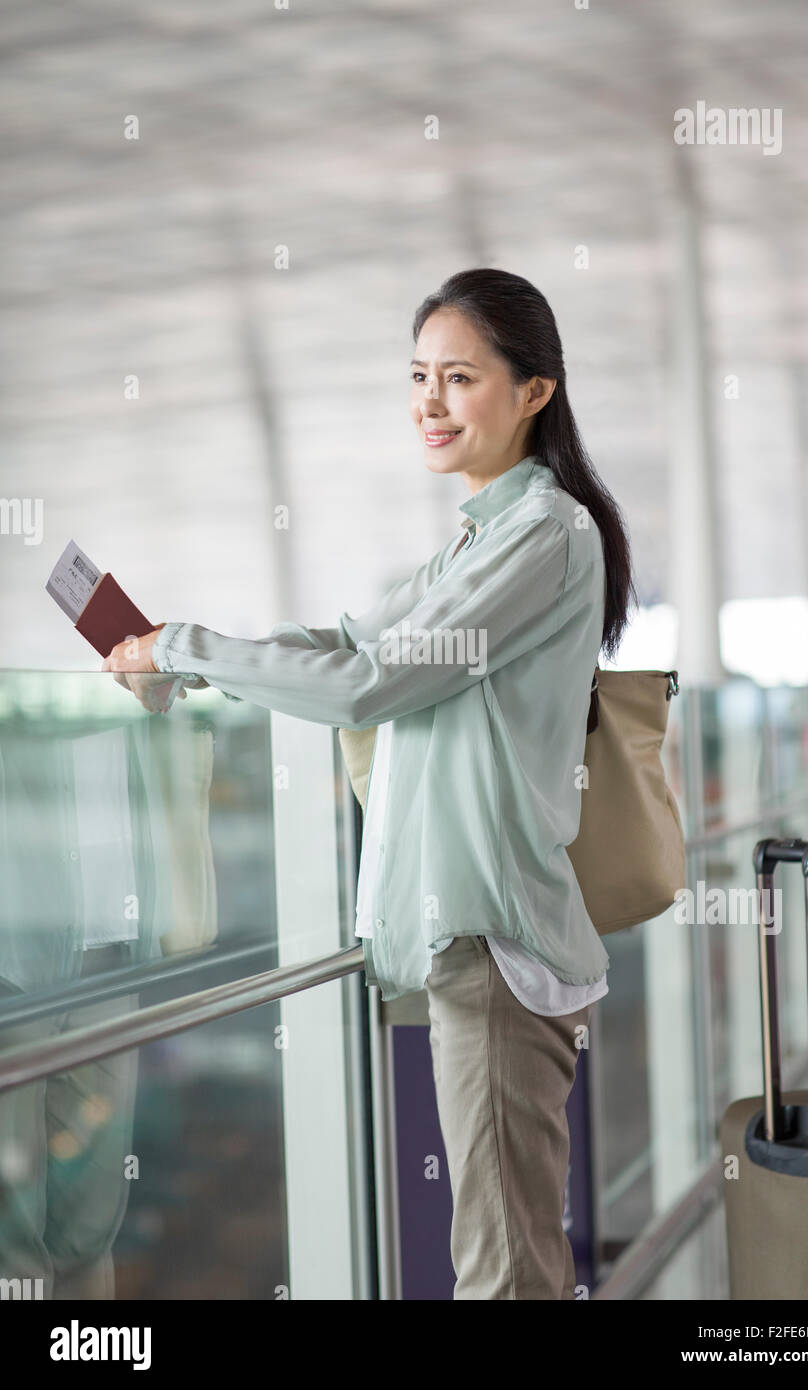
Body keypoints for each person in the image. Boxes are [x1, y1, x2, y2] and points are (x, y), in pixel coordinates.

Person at [104, 267, 636, 1300]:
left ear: (533, 391)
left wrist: (187, 645)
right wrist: (183, 653)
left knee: (502, 1266)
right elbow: (352, 641)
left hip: (493, 943)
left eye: (459, 378)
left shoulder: (543, 534)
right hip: (468, 938)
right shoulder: (476, 539)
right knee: (497, 1247)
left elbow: (370, 682)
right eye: (418, 377)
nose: (428, 403)